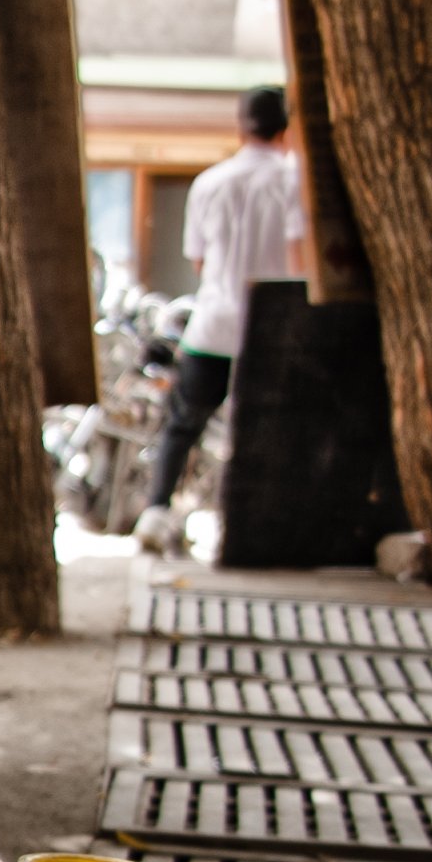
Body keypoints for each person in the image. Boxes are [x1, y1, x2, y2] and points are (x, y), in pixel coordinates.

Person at [136, 86, 304, 551]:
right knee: (271, 432)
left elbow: (199, 261)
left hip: (212, 324)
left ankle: (155, 512)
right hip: (273, 334)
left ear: (241, 126)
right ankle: (260, 527)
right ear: (285, 128)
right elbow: (297, 257)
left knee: (183, 425)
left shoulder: (210, 182)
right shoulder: (294, 181)